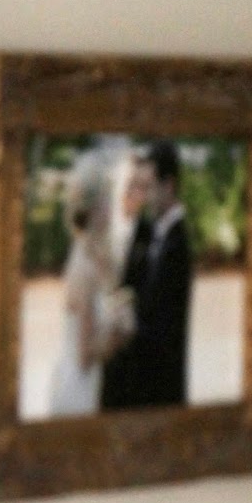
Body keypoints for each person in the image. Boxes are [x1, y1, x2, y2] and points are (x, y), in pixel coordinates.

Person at [49, 152, 128, 416]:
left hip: (88, 385)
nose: (112, 209)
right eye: (109, 200)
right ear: (97, 207)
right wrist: (117, 336)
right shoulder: (82, 266)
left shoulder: (93, 256)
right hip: (79, 392)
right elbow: (84, 355)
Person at [124, 139, 193, 407]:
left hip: (162, 384)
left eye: (149, 187)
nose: (144, 196)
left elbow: (163, 323)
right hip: (145, 380)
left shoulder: (177, 244)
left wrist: (123, 331)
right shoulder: (152, 231)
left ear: (169, 185)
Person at [100, 152, 153, 410]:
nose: (135, 193)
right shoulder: (101, 228)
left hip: (134, 345)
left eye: (142, 187)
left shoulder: (150, 234)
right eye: (131, 184)